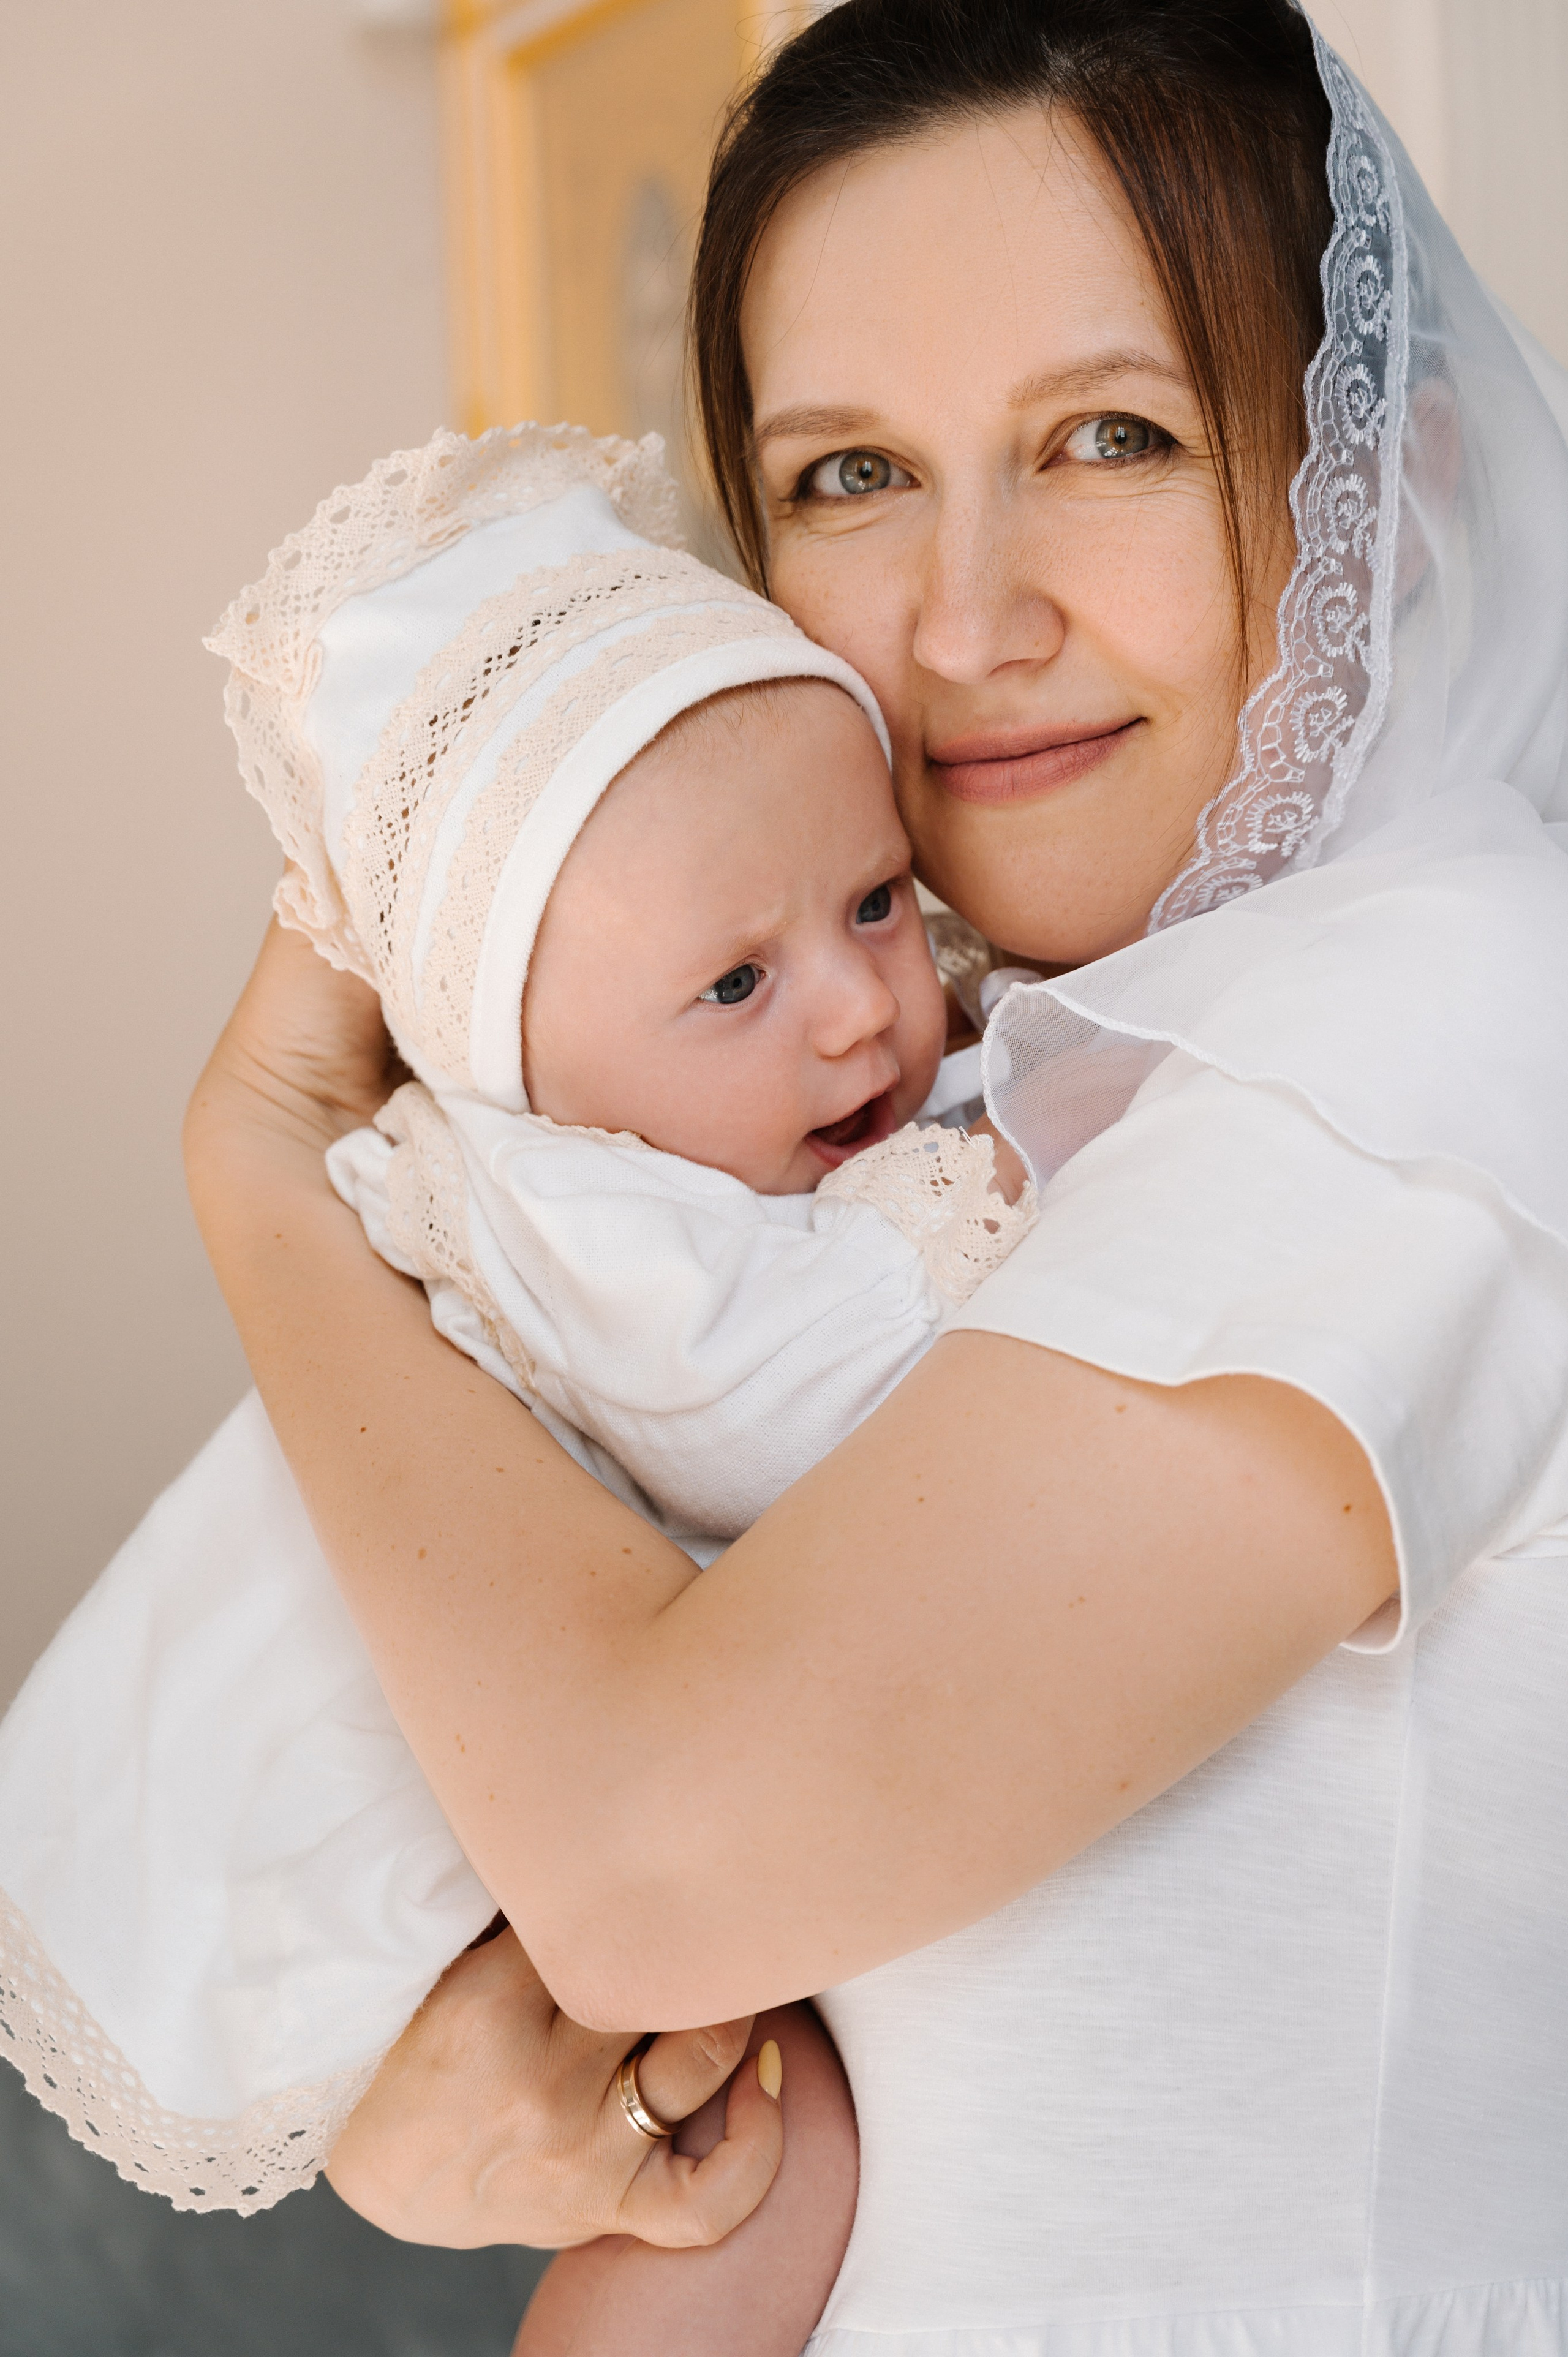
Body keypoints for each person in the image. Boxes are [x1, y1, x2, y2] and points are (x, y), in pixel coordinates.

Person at [178, 1, 1568, 2350]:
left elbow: (650, 1869)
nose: (962, 621)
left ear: (1390, 483)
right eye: (849, 476)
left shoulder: (1439, 1029)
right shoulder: (919, 1116)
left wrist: (261, 1163)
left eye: (1112, 438)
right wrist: (458, 2101)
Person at [0, 424, 1039, 2349]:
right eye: (734, 985)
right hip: (402, 1863)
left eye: (878, 902)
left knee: (783, 2164)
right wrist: (994, 1197)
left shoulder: (717, 1137)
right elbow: (763, 1411)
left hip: (615, 1836)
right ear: (518, 1066)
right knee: (752, 2167)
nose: (858, 1007)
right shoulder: (560, 1209)